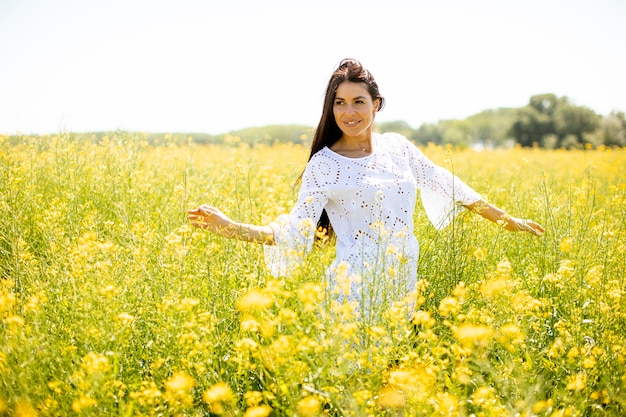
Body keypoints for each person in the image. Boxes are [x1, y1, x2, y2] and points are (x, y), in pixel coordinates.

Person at [187, 58, 544, 321]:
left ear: (377, 104)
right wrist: (229, 227)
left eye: (358, 101)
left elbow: (448, 184)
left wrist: (507, 220)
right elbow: (298, 231)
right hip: (350, 289)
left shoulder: (398, 147)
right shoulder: (324, 163)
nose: (348, 111)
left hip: (402, 281)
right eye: (339, 103)